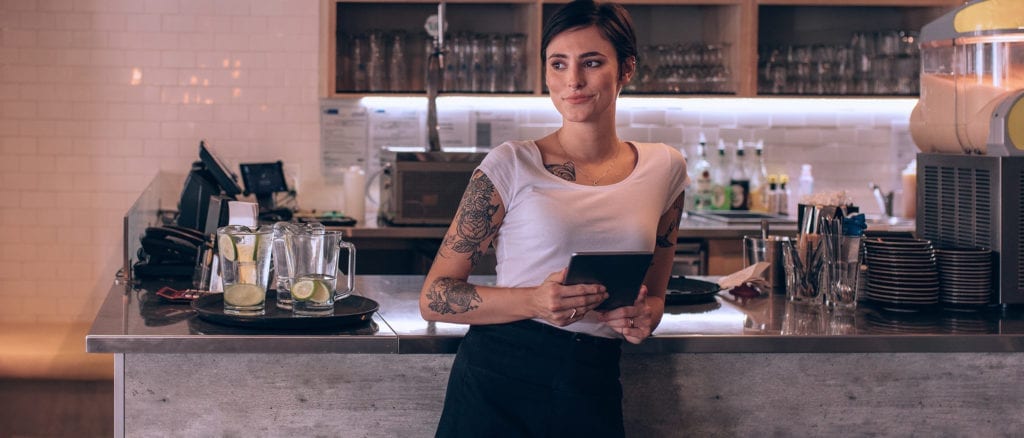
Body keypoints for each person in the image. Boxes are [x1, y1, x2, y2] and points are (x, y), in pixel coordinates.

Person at [419, 1, 689, 436]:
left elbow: (653, 296)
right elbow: (434, 297)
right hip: (497, 382)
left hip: (593, 384)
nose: (573, 81)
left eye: (592, 62)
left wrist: (644, 317)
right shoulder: (510, 164)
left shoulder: (666, 169)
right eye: (558, 64)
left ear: (627, 69)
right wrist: (534, 301)